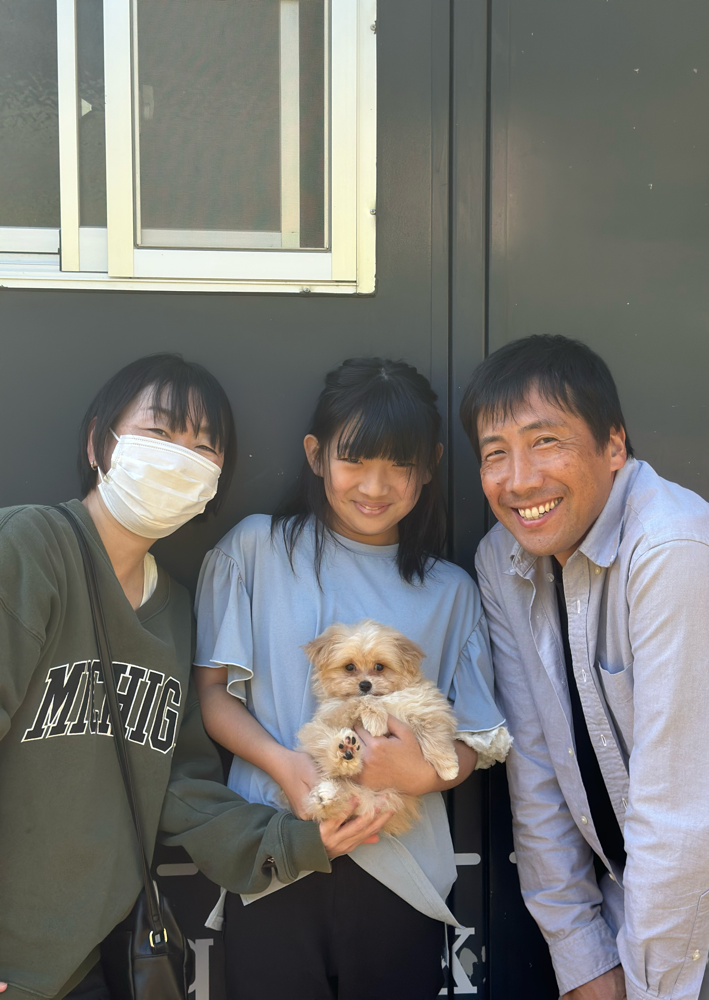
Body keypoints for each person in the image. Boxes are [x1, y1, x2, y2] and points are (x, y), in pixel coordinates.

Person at [0, 354, 337, 1000]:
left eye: (203, 447)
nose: (180, 458)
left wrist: (303, 840)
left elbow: (179, 788)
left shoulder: (176, 609)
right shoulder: (29, 547)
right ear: (99, 442)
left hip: (93, 962)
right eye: (159, 432)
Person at [194, 357, 511, 1000]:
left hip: (401, 873)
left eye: (401, 464)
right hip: (274, 854)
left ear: (430, 466)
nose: (375, 485)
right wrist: (287, 765)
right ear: (316, 455)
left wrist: (421, 773)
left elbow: (480, 738)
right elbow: (213, 694)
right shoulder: (255, 550)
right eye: (355, 459)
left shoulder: (451, 591)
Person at [460, 334, 709, 1000]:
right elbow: (536, 769)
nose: (519, 480)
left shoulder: (673, 550)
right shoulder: (503, 559)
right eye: (495, 453)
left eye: (546, 442)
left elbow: (682, 821)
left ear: (614, 445)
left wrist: (650, 988)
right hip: (634, 906)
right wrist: (582, 957)